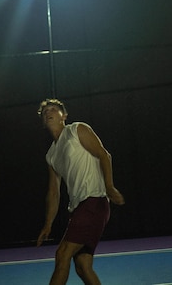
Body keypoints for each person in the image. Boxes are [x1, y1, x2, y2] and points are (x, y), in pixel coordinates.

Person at [36, 98, 125, 285]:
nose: (48, 112)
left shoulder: (77, 130)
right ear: (43, 120)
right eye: (45, 112)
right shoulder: (51, 155)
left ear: (64, 116)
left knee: (62, 254)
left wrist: (109, 186)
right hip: (79, 208)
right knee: (82, 265)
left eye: (53, 109)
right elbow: (53, 193)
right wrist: (48, 224)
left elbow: (104, 155)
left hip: (94, 200)